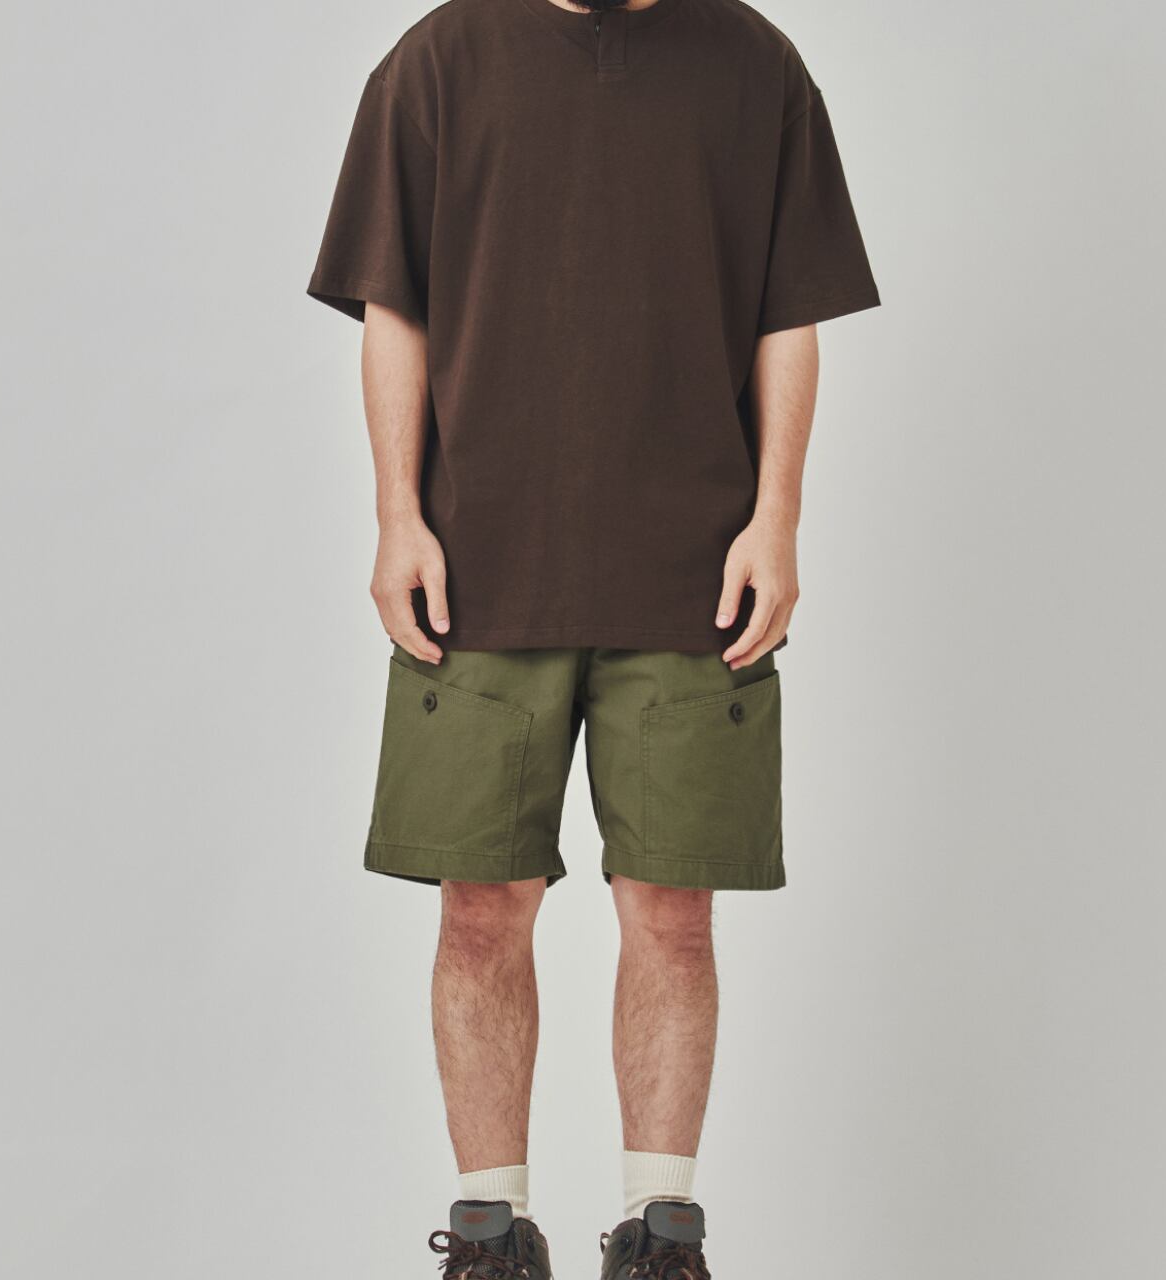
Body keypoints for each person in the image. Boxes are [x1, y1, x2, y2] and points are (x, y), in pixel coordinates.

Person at [308, 0, 878, 1269]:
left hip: (691, 574)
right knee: (478, 909)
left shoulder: (754, 65)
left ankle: (659, 1233)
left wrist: (776, 517)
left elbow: (788, 311)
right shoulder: (438, 62)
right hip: (478, 568)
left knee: (673, 911)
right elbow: (393, 306)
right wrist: (397, 514)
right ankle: (488, 1234)